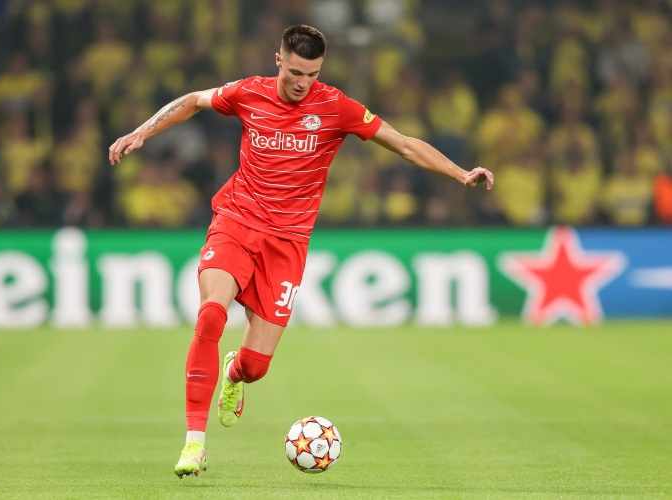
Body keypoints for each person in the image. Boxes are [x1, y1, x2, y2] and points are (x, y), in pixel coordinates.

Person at [108, 25, 494, 478]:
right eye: (294, 72)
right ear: (279, 60)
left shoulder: (337, 107)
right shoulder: (248, 93)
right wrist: (142, 132)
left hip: (287, 244)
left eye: (312, 74)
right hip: (236, 222)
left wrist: (460, 174)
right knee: (211, 314)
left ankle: (233, 375)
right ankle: (195, 443)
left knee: (255, 367)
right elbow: (193, 100)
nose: (302, 83)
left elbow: (405, 145)